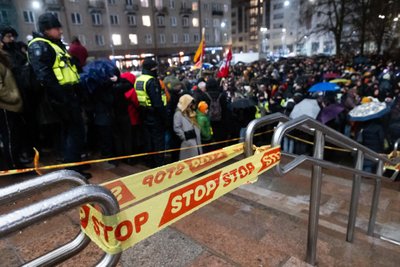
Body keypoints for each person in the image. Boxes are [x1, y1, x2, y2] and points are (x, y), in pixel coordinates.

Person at [27, 13, 91, 178]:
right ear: (47, 29)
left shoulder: (53, 44)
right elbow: (45, 76)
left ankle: (74, 166)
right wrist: (62, 98)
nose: (61, 31)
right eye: (57, 28)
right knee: (72, 133)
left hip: (68, 95)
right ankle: (73, 171)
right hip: (61, 97)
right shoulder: (40, 46)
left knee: (73, 132)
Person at [134, 58, 166, 167]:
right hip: (154, 115)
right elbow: (157, 103)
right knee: (158, 141)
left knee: (148, 140)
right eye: (155, 68)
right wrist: (164, 117)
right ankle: (159, 164)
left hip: (143, 113)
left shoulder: (139, 79)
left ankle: (150, 161)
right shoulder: (152, 81)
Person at [0, 49, 24, 170]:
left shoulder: (2, 60)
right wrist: (14, 97)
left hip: (9, 105)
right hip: (5, 106)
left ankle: (15, 160)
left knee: (12, 135)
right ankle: (13, 164)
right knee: (9, 136)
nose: (2, 44)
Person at [173, 94, 202, 160]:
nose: (191, 104)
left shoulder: (190, 111)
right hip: (188, 142)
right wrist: (184, 136)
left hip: (195, 140)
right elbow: (177, 128)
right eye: (189, 102)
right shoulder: (178, 114)